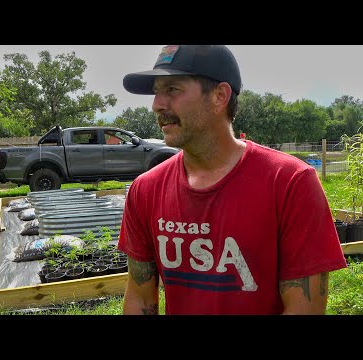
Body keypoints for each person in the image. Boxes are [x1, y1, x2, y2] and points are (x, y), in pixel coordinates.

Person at [117, 45, 347, 315]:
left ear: (219, 96)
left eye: (172, 89)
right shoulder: (145, 189)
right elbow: (140, 299)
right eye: (157, 92)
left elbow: (305, 309)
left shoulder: (289, 182)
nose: (157, 104)